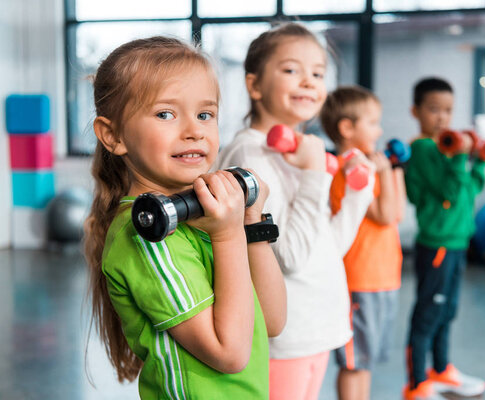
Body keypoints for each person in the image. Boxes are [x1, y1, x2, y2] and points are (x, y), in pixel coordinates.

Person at [84, 36, 286, 400]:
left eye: (205, 114)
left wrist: (250, 222)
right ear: (112, 135)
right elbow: (230, 352)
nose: (194, 130)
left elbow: (271, 321)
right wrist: (227, 237)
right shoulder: (146, 235)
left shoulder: (207, 214)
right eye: (165, 114)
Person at [216, 23, 375, 400]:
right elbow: (289, 255)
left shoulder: (302, 151)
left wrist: (358, 195)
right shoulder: (249, 155)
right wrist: (315, 173)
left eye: (318, 73)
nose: (307, 81)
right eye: (291, 70)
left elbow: (327, 247)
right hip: (286, 336)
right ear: (254, 86)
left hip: (316, 328)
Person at [403, 77, 485, 400]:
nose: (442, 118)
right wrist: (459, 158)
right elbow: (449, 189)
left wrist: (479, 159)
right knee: (428, 312)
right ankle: (416, 383)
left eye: (448, 111)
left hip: (457, 242)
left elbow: (471, 189)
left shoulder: (446, 149)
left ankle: (440, 369)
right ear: (416, 111)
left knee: (447, 310)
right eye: (434, 110)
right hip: (437, 243)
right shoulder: (425, 148)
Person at [320, 85, 406, 400]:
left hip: (383, 277)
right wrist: (381, 173)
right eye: (372, 122)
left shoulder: (368, 166)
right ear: (346, 128)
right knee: (353, 363)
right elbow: (385, 215)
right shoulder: (350, 169)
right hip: (359, 278)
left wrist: (393, 169)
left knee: (365, 362)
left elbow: (397, 212)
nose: (379, 129)